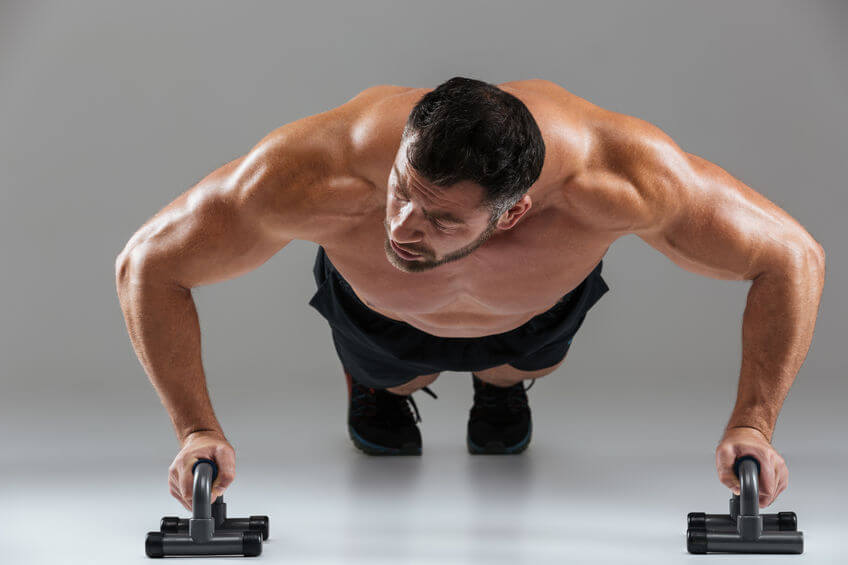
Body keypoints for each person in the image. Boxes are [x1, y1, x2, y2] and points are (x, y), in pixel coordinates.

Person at [115, 77, 824, 512]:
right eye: (401, 190)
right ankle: (382, 388)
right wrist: (195, 429)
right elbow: (148, 263)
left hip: (532, 313)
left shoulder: (615, 177)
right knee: (396, 373)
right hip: (380, 315)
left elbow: (790, 255)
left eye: (441, 218)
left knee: (516, 367)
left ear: (512, 213)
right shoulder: (316, 173)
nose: (399, 225)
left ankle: (502, 385)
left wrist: (753, 425)